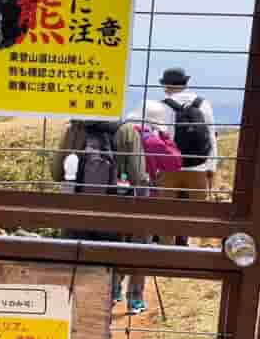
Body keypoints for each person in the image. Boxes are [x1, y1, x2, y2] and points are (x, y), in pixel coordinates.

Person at [52, 119, 149, 314]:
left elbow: (56, 173)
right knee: (109, 260)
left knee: (76, 268)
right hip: (113, 213)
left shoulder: (75, 129)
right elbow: (138, 177)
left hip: (76, 211)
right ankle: (109, 300)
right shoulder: (126, 131)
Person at [156, 67, 220, 246]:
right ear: (186, 82)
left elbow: (159, 139)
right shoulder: (203, 103)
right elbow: (211, 136)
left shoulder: (162, 105)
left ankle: (165, 252)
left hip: (170, 169)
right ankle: (198, 252)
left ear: (167, 86)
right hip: (198, 168)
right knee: (198, 214)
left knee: (165, 215)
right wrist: (211, 168)